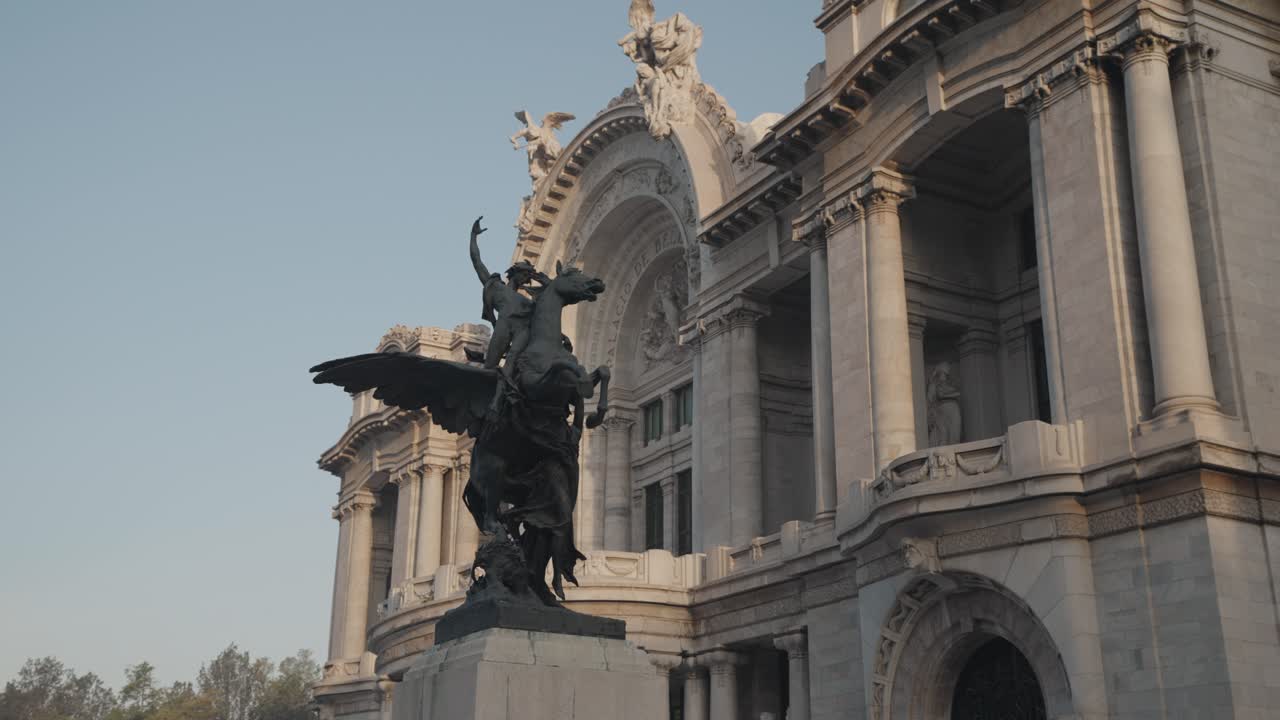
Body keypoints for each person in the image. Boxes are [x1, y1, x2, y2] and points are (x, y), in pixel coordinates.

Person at [468, 217, 547, 411]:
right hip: (503, 328)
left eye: (528, 277)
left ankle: (505, 397)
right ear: (515, 273)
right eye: (525, 275)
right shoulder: (496, 288)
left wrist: (544, 281)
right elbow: (477, 262)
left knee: (512, 358)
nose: (526, 279)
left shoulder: (528, 302)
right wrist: (473, 237)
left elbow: (547, 314)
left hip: (521, 331)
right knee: (489, 369)